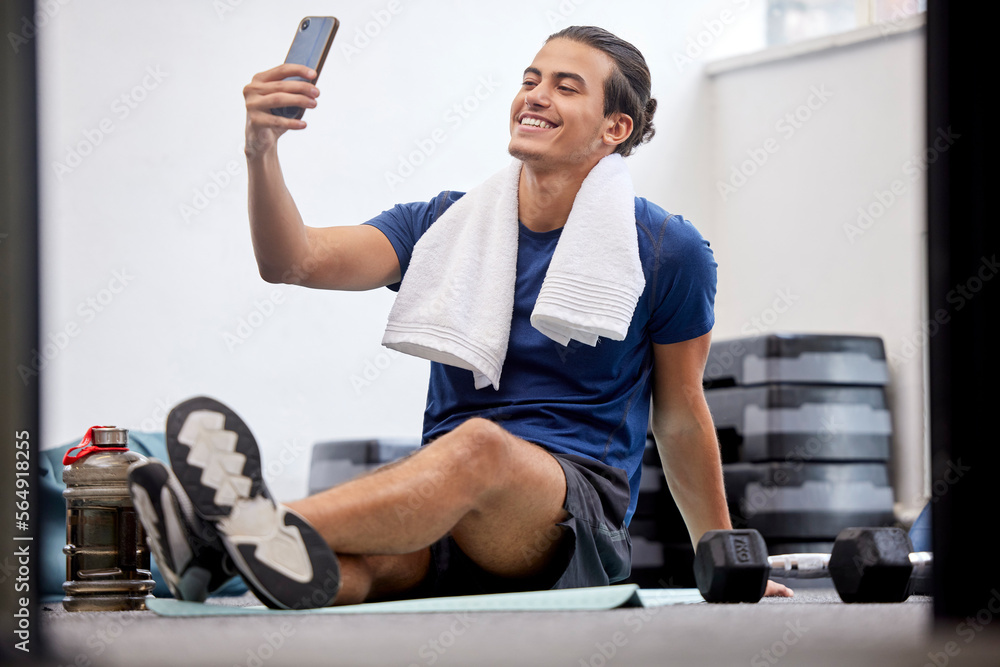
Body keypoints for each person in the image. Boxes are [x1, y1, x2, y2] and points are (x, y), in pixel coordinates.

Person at [129, 25, 792, 608]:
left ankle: (215, 535)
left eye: (566, 86)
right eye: (530, 79)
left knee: (478, 444)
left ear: (614, 128)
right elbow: (293, 261)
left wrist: (721, 554)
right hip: (446, 499)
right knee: (348, 565)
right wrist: (261, 149)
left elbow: (678, 412)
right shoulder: (447, 226)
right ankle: (231, 553)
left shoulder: (668, 249)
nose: (534, 94)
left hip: (567, 511)